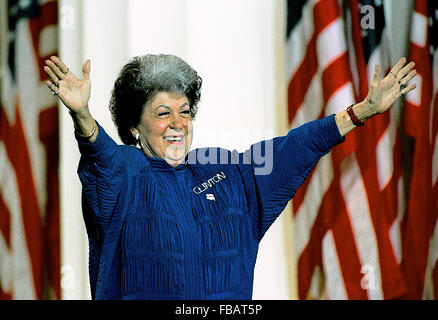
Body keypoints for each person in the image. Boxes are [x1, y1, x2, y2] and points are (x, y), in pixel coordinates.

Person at [44, 54, 417, 300]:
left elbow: (293, 148)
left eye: (185, 111)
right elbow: (101, 156)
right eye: (162, 113)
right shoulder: (127, 172)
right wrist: (83, 118)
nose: (177, 124)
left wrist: (361, 111)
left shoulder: (225, 173)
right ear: (134, 127)